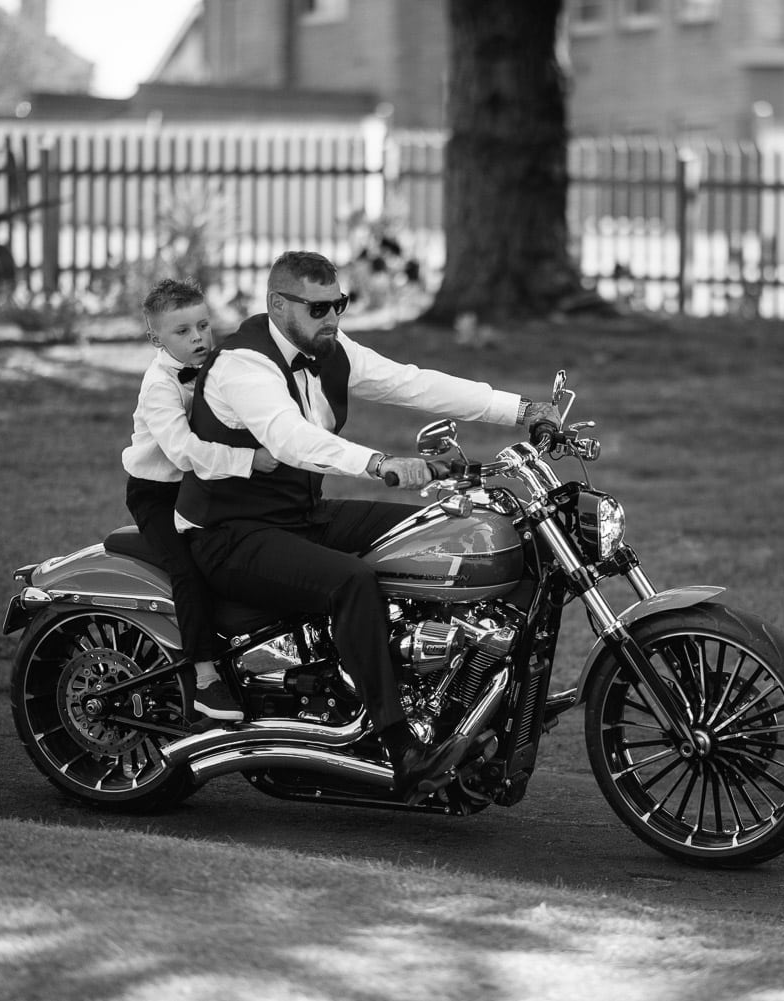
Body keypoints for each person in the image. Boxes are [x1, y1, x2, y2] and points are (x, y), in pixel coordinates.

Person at [175, 250, 560, 798]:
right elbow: (291, 438)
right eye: (318, 307)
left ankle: (489, 699)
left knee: (443, 531)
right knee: (351, 582)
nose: (332, 317)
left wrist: (521, 410)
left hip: (300, 516)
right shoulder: (243, 365)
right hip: (232, 533)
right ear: (277, 304)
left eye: (340, 304)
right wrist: (378, 463)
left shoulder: (330, 349)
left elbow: (412, 383)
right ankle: (400, 745)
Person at [121, 277, 279, 722]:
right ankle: (205, 679)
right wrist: (248, 460)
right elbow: (183, 452)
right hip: (158, 493)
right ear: (156, 338)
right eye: (183, 332)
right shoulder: (159, 386)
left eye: (203, 326)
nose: (198, 338)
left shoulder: (217, 365)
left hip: (203, 487)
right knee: (186, 570)